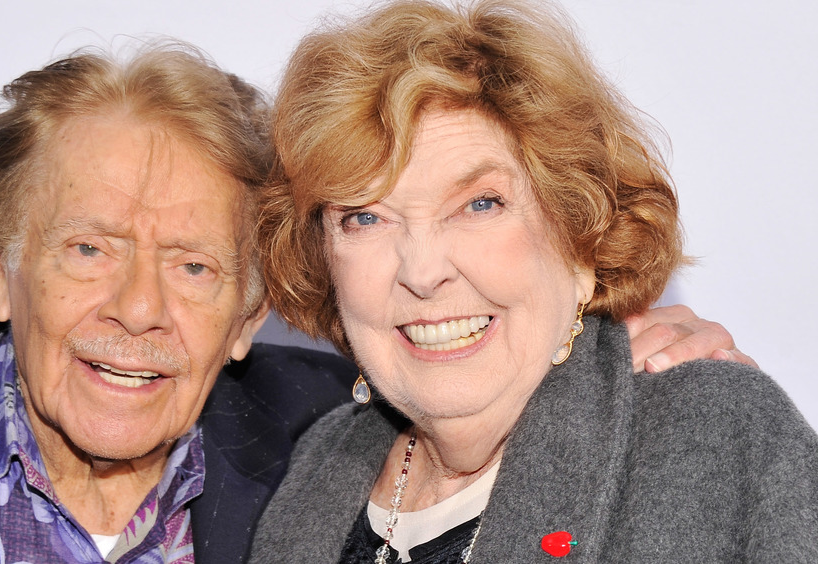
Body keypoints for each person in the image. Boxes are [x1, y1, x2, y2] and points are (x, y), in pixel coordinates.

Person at [0, 40, 753, 564]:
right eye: (90, 248)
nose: (138, 310)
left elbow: (480, 360)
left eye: (193, 268)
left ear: (249, 307)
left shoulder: (332, 442)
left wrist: (619, 348)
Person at [249, 0, 818, 562]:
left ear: (579, 245)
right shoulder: (314, 468)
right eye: (365, 217)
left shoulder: (713, 439)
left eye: (480, 203)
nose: (422, 272)